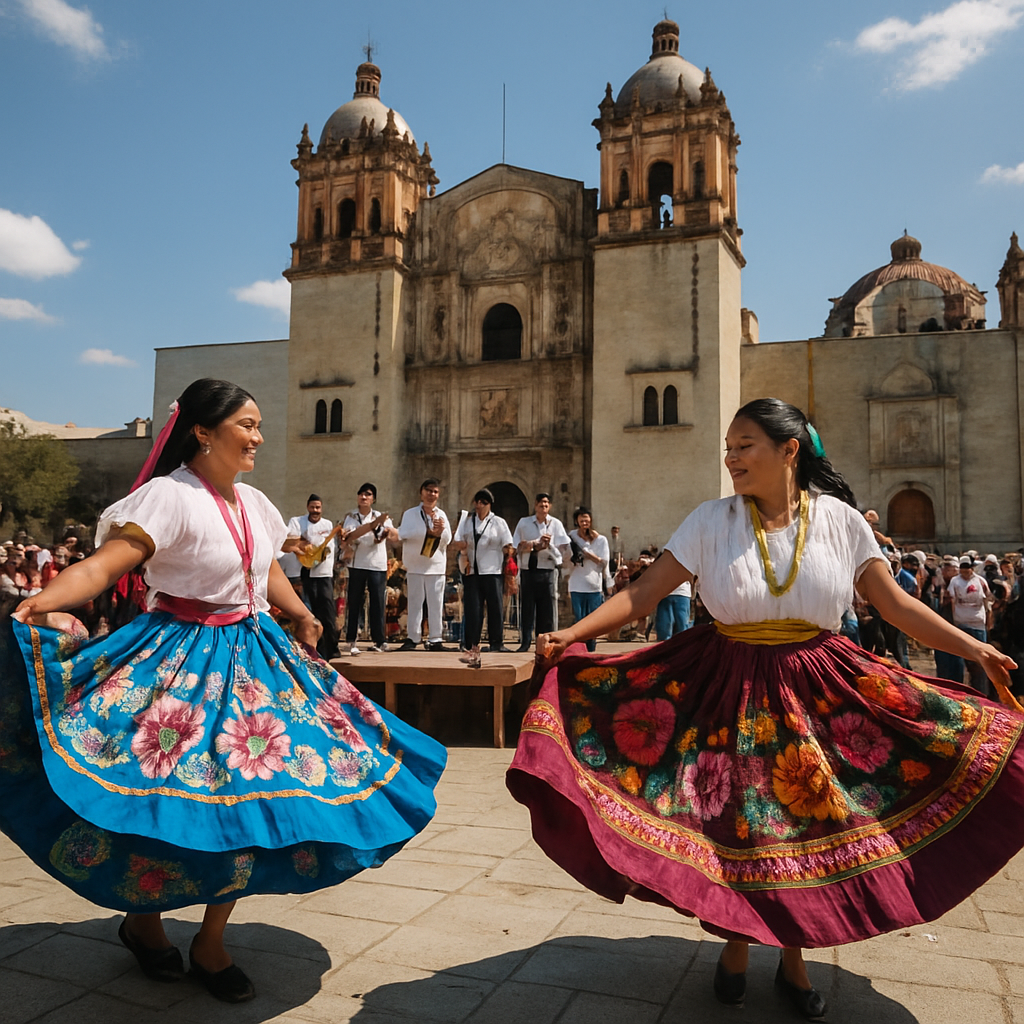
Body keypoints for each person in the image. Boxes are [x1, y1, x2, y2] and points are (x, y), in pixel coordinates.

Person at [506, 397, 1024, 1022]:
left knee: (805, 828)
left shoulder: (840, 521)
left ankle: (793, 958)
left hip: (819, 689)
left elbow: (895, 606)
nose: (731, 458)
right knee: (742, 826)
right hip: (728, 688)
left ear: (789, 450)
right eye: (728, 447)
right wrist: (570, 633)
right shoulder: (710, 520)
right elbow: (644, 594)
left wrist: (974, 648)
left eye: (744, 445)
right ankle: (736, 944)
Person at [0, 379, 446, 1004]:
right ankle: (145, 921)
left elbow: (261, 572)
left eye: (259, 425)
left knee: (246, 800)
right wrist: (38, 602)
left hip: (254, 660)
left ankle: (211, 940)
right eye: (247, 425)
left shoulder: (257, 504)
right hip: (176, 661)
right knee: (158, 794)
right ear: (203, 432)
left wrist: (302, 613)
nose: (259, 437)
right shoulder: (168, 497)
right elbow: (104, 565)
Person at [450, 488, 514, 665]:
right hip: (472, 571)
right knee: (473, 609)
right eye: (478, 502)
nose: (480, 506)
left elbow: (508, 543)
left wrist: (507, 554)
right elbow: (457, 540)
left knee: (495, 607)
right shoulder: (467, 521)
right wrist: (461, 545)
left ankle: (496, 642)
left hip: (492, 570)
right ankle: (472, 643)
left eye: (484, 503)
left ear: (489, 505)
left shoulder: (498, 522)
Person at [397, 479, 452, 651]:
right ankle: (413, 637)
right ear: (421, 493)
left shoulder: (441, 515)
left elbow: (448, 539)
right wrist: (428, 532)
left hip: (435, 565)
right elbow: (403, 533)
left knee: (436, 603)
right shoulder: (410, 514)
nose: (431, 494)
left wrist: (440, 531)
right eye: (428, 490)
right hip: (415, 565)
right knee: (414, 602)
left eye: (435, 492)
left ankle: (435, 638)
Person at [341, 483, 396, 655]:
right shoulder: (351, 516)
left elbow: (393, 535)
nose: (364, 497)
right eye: (361, 494)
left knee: (378, 602)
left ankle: (380, 640)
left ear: (374, 499)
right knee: (355, 602)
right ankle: (352, 639)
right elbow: (350, 536)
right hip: (357, 563)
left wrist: (386, 531)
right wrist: (372, 525)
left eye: (368, 494)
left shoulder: (381, 516)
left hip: (377, 564)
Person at [512, 493, 571, 652]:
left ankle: (546, 643)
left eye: (546, 504)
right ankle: (525, 641)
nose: (543, 506)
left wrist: (549, 545)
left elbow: (564, 548)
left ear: (549, 506)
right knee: (527, 608)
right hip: (528, 569)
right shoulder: (524, 523)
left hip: (547, 569)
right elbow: (515, 545)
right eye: (541, 503)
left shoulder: (555, 524)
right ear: (535, 505)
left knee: (547, 609)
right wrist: (533, 545)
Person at [289, 495, 339, 660]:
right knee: (311, 611)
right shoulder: (298, 522)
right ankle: (314, 648)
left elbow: (328, 548)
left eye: (318, 507)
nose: (315, 510)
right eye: (312, 507)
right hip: (306, 572)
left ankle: (331, 648)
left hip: (324, 573)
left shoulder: (328, 525)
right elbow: (293, 541)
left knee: (327, 611)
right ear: (307, 507)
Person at [948, 555, 995, 697]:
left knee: (980, 662)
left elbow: (988, 600)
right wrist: (954, 621)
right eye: (962, 567)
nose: (965, 570)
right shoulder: (955, 581)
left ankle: (981, 694)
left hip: (978, 624)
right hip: (961, 623)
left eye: (967, 567)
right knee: (959, 662)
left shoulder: (980, 581)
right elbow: (952, 600)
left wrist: (989, 620)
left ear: (972, 568)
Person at [566, 508, 609, 653]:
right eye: (581, 520)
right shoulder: (571, 537)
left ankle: (591, 649)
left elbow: (604, 562)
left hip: (594, 586)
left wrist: (587, 554)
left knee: (592, 621)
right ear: (576, 521)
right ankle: (581, 649)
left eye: (587, 520)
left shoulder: (600, 540)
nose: (584, 523)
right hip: (576, 584)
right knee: (579, 620)